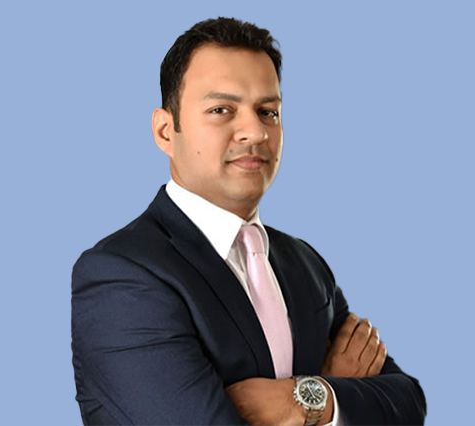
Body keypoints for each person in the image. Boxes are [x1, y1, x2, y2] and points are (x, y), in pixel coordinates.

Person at [71, 17, 426, 425]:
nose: (255, 132)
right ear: (166, 131)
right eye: (221, 110)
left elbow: (408, 404)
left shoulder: (303, 262)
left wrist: (311, 397)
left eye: (268, 111)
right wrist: (338, 393)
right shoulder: (122, 276)